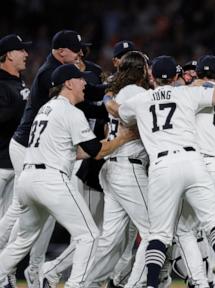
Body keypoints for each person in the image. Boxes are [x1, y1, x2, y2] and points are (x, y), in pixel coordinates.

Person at [107, 55, 215, 288]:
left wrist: (108, 97)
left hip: (162, 166)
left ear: (152, 77)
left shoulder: (142, 99)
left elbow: (118, 112)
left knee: (159, 234)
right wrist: (197, 83)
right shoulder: (187, 92)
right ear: (177, 76)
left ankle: (150, 284)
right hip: (192, 161)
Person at [0, 63, 136, 288]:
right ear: (68, 83)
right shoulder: (70, 111)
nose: (85, 84)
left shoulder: (46, 109)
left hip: (28, 179)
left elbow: (77, 152)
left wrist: (108, 143)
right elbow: (96, 151)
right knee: (90, 235)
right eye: (81, 79)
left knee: (22, 241)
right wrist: (124, 138)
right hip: (50, 181)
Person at [0, 29, 90, 287]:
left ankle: (33, 268)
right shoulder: (52, 73)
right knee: (21, 209)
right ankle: (13, 269)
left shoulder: (47, 73)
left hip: (33, 147)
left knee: (39, 211)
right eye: (77, 50)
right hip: (26, 147)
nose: (80, 55)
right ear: (62, 52)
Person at [85, 50, 151, 288]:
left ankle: (85, 283)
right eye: (147, 66)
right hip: (129, 168)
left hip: (112, 169)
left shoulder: (119, 93)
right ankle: (135, 285)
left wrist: (107, 97)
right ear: (141, 70)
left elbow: (113, 109)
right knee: (155, 233)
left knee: (110, 239)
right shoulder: (137, 92)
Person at [0, 34, 30, 223]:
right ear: (9, 55)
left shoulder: (18, 82)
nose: (26, 54)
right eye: (21, 50)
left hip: (15, 163)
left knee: (8, 220)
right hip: (0, 165)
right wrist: (22, 103)